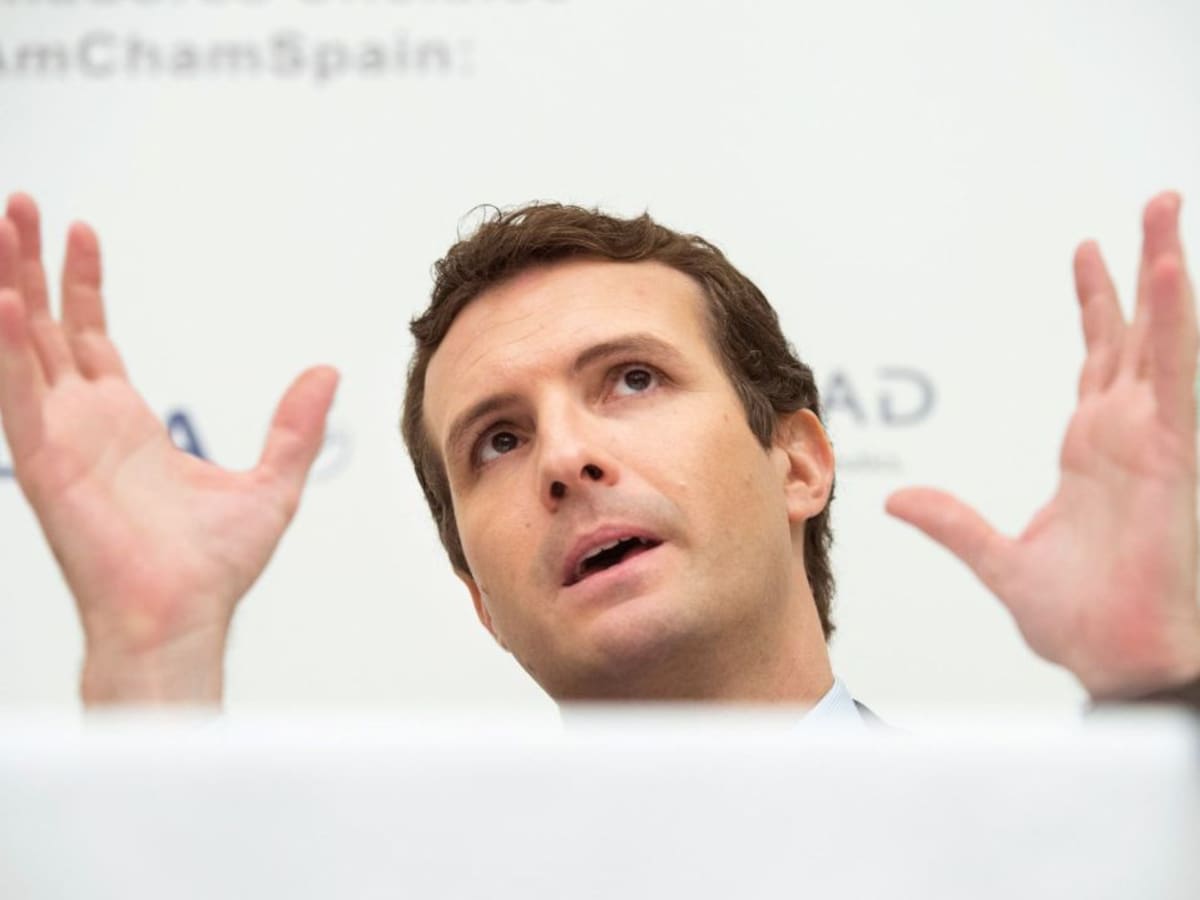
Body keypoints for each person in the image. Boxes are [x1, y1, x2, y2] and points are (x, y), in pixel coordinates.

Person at [0, 192, 1198, 713]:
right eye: (498, 440)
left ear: (798, 463)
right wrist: (150, 657)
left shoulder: (1037, 852)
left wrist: (1164, 689)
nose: (564, 460)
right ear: (481, 601)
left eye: (632, 379)